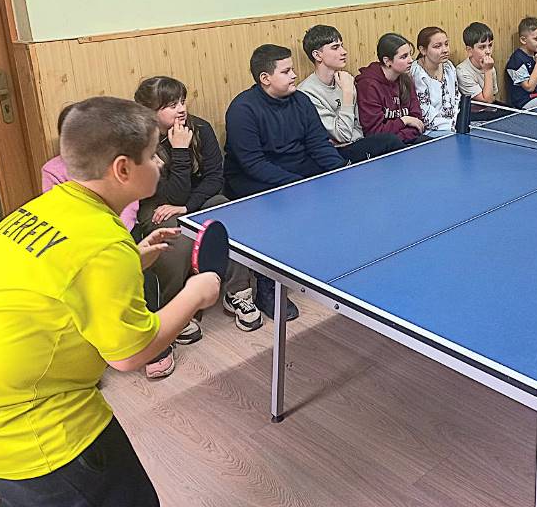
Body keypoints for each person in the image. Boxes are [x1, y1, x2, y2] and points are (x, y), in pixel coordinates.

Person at [0, 96, 220, 507]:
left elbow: (58, 273)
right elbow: (130, 354)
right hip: (22, 423)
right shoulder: (104, 245)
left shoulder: (43, 208)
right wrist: (196, 292)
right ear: (123, 169)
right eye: (153, 155)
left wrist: (132, 258)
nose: (160, 163)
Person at [134, 77, 253, 368]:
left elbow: (215, 178)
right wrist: (179, 151)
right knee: (175, 232)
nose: (181, 109)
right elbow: (167, 196)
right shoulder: (140, 142)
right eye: (171, 105)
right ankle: (176, 309)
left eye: (182, 102)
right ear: (150, 111)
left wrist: (188, 206)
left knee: (225, 210)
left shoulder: (200, 128)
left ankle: (238, 292)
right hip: (157, 207)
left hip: (195, 199)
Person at [224, 44, 346, 320]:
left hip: (295, 169)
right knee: (281, 206)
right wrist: (298, 185)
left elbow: (318, 144)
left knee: (333, 188)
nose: (294, 75)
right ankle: (268, 287)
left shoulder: (301, 101)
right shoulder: (243, 109)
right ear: (265, 78)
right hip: (252, 178)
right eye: (286, 71)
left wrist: (342, 174)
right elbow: (252, 163)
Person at [297, 24, 403, 163]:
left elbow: (358, 126)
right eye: (335, 47)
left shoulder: (344, 79)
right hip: (337, 152)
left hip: (357, 142)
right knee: (390, 141)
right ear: (317, 55)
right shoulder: (307, 92)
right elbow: (343, 136)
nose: (344, 51)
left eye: (342, 46)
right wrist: (347, 94)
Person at [42, 103, 138, 232]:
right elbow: (58, 210)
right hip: (81, 231)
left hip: (121, 228)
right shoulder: (52, 170)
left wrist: (119, 229)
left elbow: (129, 201)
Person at [355, 33, 425, 143]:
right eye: (404, 57)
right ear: (387, 61)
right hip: (384, 146)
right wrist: (404, 120)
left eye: (410, 55)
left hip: (407, 140)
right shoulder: (368, 86)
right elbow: (375, 132)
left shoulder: (405, 79)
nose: (411, 60)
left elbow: (417, 121)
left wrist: (403, 135)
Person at [410, 26, 461, 134]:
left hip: (455, 126)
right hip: (431, 131)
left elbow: (457, 98)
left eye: (446, 44)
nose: (445, 50)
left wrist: (460, 121)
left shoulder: (448, 66)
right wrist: (453, 125)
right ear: (423, 50)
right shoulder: (417, 73)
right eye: (437, 46)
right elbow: (425, 115)